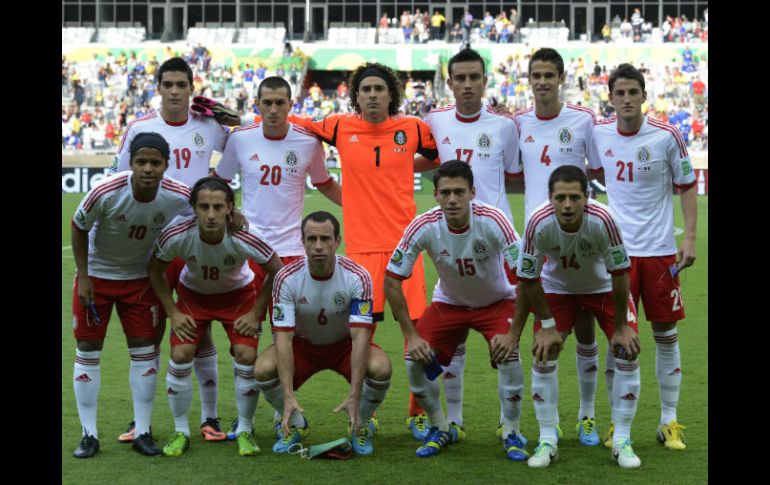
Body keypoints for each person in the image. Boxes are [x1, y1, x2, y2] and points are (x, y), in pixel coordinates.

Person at [108, 57, 232, 445]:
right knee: (151, 331)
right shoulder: (140, 127)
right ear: (158, 88)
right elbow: (116, 179)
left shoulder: (210, 126)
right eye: (169, 84)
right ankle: (139, 419)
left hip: (197, 239)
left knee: (201, 328)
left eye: (183, 84)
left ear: (192, 89)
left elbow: (242, 139)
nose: (176, 91)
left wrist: (227, 113)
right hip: (149, 243)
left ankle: (210, 417)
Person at [215, 75, 343, 435]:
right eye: (266, 103)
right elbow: (220, 183)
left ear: (291, 105)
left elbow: (326, 184)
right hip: (246, 251)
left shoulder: (307, 142)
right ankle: (245, 423)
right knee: (246, 338)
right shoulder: (240, 139)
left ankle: (280, 408)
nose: (273, 109)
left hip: (290, 255)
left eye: (280, 103)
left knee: (287, 336)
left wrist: (362, 206)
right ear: (257, 104)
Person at [588, 63, 696, 451]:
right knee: (619, 340)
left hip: (661, 254)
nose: (627, 99)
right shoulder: (600, 134)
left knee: (666, 336)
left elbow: (686, 184)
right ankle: (619, 424)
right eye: (620, 93)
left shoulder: (667, 136)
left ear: (643, 95)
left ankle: (669, 421)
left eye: (633, 92)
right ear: (611, 97)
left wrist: (691, 239)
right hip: (616, 257)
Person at [384, 161, 525, 459]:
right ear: (435, 194)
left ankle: (511, 430)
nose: (452, 199)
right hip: (450, 303)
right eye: (445, 192)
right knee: (414, 360)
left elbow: (526, 276)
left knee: (510, 358)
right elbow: (392, 280)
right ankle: (440, 427)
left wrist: (513, 334)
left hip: (497, 302)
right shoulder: (424, 225)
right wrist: (411, 335)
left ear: (472, 192)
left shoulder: (493, 220)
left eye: (459, 192)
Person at [505, 165, 642, 469]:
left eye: (574, 198)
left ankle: (621, 439)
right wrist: (548, 326)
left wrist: (621, 326)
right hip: (558, 290)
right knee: (544, 351)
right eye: (560, 198)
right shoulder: (538, 222)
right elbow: (527, 277)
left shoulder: (604, 219)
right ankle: (546, 439)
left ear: (587, 197)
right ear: (550, 198)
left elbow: (620, 274)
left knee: (627, 350)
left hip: (604, 289)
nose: (567, 205)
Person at [421, 48, 522, 444]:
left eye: (473, 78)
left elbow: (512, 173)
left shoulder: (505, 125)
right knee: (455, 330)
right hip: (453, 235)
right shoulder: (434, 120)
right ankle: (455, 421)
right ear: (450, 83)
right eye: (459, 78)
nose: (467, 85)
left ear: (484, 80)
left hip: (495, 240)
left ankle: (508, 426)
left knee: (504, 341)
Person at [70, 132, 192, 458]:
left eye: (155, 162)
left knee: (144, 350)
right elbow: (78, 226)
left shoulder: (178, 194)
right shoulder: (106, 191)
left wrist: (233, 215)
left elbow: (209, 205)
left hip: (139, 280)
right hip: (96, 277)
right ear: (131, 163)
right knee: (88, 348)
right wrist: (83, 276)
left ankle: (142, 431)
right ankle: (89, 435)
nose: (148, 168)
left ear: (167, 164)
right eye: (141, 162)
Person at [147, 177, 283, 457]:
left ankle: (245, 428)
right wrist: (173, 312)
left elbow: (277, 269)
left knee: (246, 355)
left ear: (230, 209)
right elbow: (154, 270)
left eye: (218, 207)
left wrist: (256, 310)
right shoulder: (178, 234)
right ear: (193, 208)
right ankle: (181, 431)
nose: (210, 215)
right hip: (193, 297)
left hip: (237, 297)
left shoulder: (245, 234)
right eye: (204, 207)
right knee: (182, 354)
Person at [512, 47, 601, 446]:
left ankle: (586, 415)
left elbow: (598, 174)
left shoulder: (584, 120)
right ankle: (546, 428)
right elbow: (513, 173)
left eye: (550, 74)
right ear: (528, 80)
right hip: (538, 241)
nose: (543, 81)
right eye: (537, 75)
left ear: (561, 77)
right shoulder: (517, 123)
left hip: (580, 237)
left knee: (585, 330)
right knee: (545, 338)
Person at [254, 212, 392, 455]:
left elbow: (361, 336)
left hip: (344, 346)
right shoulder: (286, 278)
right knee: (263, 369)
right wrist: (287, 395)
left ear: (337, 240)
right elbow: (283, 339)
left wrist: (355, 395)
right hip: (302, 346)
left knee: (381, 367)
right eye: (312, 239)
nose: (318, 246)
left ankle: (361, 423)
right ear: (303, 241)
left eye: (326, 239)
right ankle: (294, 424)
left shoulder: (358, 276)